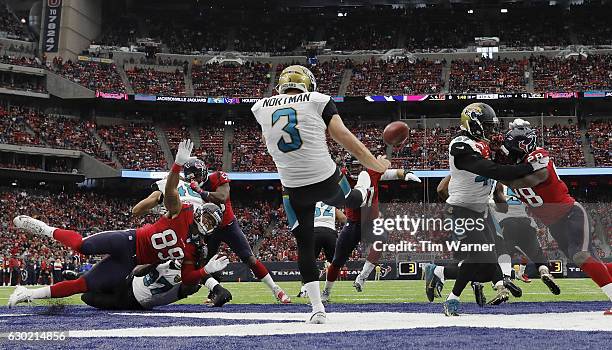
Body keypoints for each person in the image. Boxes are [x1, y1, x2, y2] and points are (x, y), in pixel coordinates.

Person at [8, 140, 226, 307]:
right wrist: (176, 165)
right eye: (205, 217)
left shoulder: (196, 247)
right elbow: (169, 192)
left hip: (131, 262)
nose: (205, 223)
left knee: (83, 285)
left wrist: (205, 270)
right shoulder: (183, 211)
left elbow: (188, 279)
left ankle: (27, 294)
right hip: (128, 240)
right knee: (82, 246)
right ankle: (43, 228)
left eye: (210, 222)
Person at [252, 65, 390, 323]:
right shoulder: (318, 100)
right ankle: (364, 182)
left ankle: (317, 309)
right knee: (352, 201)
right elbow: (343, 136)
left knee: (304, 246)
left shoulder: (260, 107)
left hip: (292, 188)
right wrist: (373, 164)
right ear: (308, 84)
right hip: (325, 178)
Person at [425, 103, 549, 316]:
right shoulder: (460, 144)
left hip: (480, 210)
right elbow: (489, 169)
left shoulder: (483, 144)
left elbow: (506, 159)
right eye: (487, 126)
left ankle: (442, 273)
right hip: (461, 208)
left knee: (486, 264)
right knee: (478, 256)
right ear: (473, 124)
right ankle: (452, 300)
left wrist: (510, 147)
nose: (491, 131)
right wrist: (530, 167)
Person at [500, 124, 612, 315]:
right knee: (586, 260)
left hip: (571, 214)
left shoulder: (538, 155)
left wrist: (501, 176)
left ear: (523, 145)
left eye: (511, 149)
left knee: (581, 255)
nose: (508, 153)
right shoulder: (514, 168)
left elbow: (535, 179)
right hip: (554, 225)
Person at [186, 160, 290, 304]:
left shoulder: (217, 177)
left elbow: (222, 196)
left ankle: (277, 290)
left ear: (202, 172)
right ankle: (214, 292)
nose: (193, 180)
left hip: (228, 226)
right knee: (204, 264)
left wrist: (200, 191)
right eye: (190, 178)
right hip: (209, 230)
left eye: (195, 176)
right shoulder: (188, 188)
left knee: (250, 259)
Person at [81, 259, 229, 310]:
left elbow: (193, 282)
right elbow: (138, 272)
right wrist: (155, 262)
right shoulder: (165, 257)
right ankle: (77, 279)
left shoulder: (188, 282)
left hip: (131, 303)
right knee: (92, 284)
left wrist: (218, 289)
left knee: (86, 298)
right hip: (126, 282)